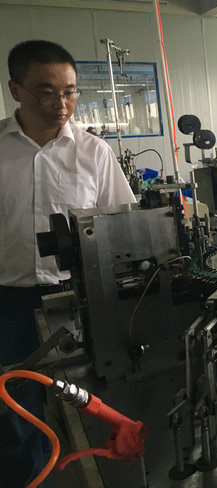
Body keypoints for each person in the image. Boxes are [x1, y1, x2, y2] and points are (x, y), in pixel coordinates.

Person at [0, 40, 136, 487]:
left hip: (80, 299)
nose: (62, 104)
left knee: (91, 401)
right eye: (46, 93)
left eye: (70, 92)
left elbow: (123, 227)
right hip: (10, 300)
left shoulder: (94, 153)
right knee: (16, 410)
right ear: (15, 89)